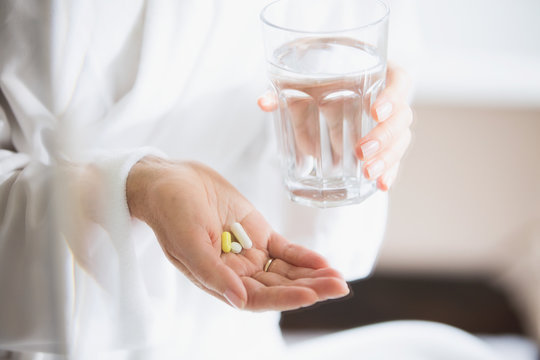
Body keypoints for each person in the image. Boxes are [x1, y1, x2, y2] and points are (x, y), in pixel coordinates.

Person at [0, 1, 502, 359]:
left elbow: (325, 235)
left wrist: (341, 138)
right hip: (59, 320)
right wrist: (134, 189)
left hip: (235, 335)